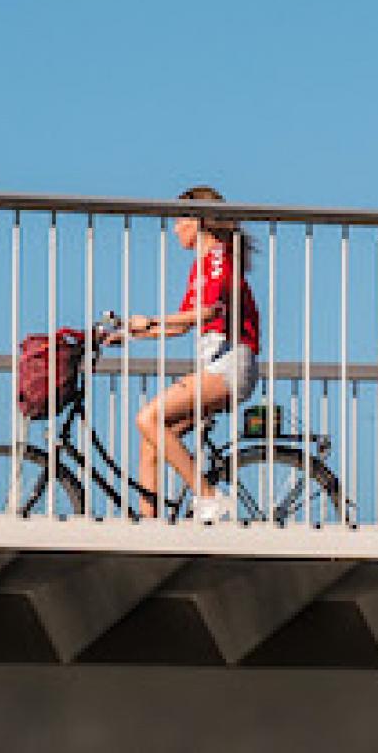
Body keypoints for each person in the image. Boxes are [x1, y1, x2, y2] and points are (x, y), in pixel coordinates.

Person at [121, 187, 261, 521]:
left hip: (230, 365)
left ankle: (210, 496)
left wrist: (153, 319)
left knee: (148, 418)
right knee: (151, 439)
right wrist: (130, 333)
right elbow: (182, 324)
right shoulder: (200, 266)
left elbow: (210, 311)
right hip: (216, 365)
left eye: (180, 219)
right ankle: (149, 528)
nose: (175, 228)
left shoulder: (218, 257)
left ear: (197, 221)